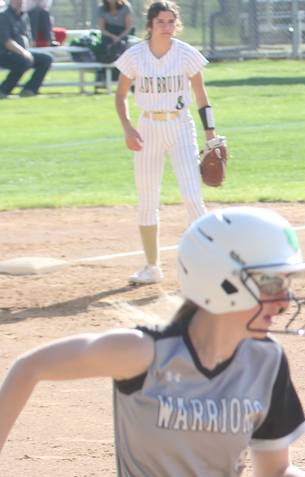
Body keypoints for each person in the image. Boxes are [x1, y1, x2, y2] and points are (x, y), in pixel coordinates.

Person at [0, 206, 305, 477]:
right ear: (223, 281)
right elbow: (29, 367)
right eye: (272, 284)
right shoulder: (145, 352)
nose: (286, 302)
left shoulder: (267, 363)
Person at [114, 1, 214, 285]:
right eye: (161, 22)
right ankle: (151, 267)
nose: (167, 27)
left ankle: (205, 263)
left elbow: (201, 96)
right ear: (150, 25)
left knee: (192, 196)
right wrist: (128, 128)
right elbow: (120, 95)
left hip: (180, 126)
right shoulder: (135, 56)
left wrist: (210, 134)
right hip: (147, 128)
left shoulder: (186, 54)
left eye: (171, 22)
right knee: (147, 198)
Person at [0, 0, 52, 98]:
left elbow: (27, 36)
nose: (20, 3)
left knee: (46, 59)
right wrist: (24, 52)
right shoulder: (3, 16)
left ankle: (29, 90)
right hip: (4, 53)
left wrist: (27, 50)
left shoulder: (23, 16)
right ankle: (3, 90)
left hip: (21, 52)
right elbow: (7, 41)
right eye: (17, 1)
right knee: (24, 61)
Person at [96, 0, 134, 66]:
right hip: (108, 36)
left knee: (121, 47)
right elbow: (102, 29)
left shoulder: (126, 7)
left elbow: (128, 28)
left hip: (122, 35)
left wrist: (119, 38)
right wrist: (113, 37)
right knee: (106, 49)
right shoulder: (101, 8)